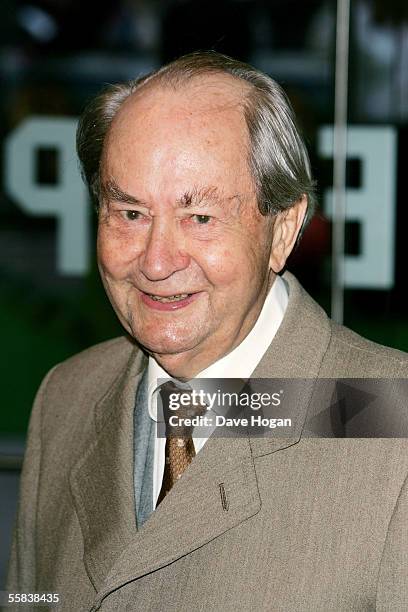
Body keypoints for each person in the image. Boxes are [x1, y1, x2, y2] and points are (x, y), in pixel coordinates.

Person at [7, 52, 408, 611]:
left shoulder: (391, 421)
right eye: (129, 214)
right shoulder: (67, 398)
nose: (155, 261)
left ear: (283, 230)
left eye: (199, 218)